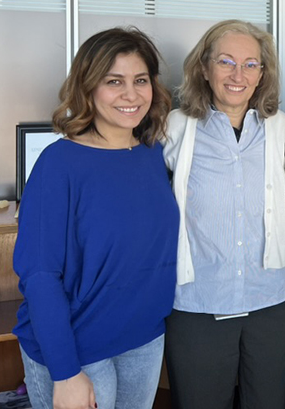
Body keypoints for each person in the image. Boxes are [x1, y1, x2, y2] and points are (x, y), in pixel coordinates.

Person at [13, 27, 179, 409]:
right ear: (88, 87)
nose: (130, 94)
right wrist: (65, 372)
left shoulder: (153, 154)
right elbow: (39, 274)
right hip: (78, 348)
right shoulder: (59, 164)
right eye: (113, 81)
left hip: (144, 338)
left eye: (140, 80)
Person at [162, 20, 285, 409]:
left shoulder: (278, 127)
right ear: (204, 68)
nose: (239, 74)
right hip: (198, 302)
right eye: (226, 62)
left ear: (262, 74)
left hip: (268, 300)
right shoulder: (175, 128)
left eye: (251, 64)